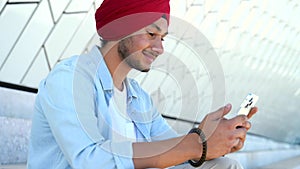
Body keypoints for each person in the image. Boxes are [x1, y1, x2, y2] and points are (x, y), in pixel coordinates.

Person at [27, 0, 258, 168]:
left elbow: (172, 152)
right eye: (151, 34)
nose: (160, 48)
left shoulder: (138, 97)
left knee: (225, 166)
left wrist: (208, 139)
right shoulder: (70, 79)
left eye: (162, 38)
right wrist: (197, 144)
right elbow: (89, 160)